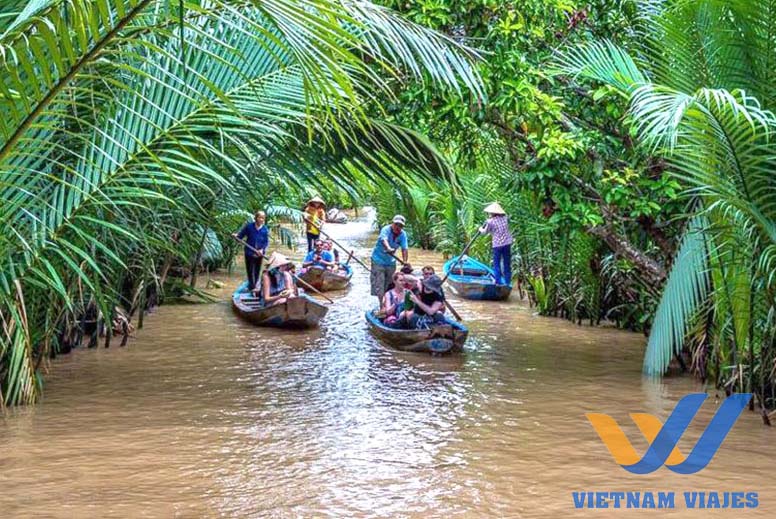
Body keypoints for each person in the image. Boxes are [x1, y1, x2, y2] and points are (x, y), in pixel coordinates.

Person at [370, 215, 409, 303]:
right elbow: (384, 240)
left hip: (390, 262)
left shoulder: (403, 234)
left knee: (390, 284)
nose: (398, 227)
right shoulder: (386, 229)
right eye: (396, 224)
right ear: (393, 223)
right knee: (379, 283)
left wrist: (405, 261)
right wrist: (388, 248)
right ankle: (381, 305)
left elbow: (404, 248)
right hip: (378, 260)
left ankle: (388, 302)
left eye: (400, 226)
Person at [232, 210, 269, 292]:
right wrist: (236, 236)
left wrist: (262, 250)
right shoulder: (249, 227)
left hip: (259, 254)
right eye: (260, 218)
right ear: (256, 218)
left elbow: (266, 242)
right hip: (249, 252)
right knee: (250, 270)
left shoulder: (265, 229)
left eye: (263, 218)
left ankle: (254, 285)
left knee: (257, 270)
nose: (262, 220)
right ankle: (252, 286)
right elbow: (240, 236)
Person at [479, 202, 514, 286]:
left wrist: (480, 229)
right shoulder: (505, 218)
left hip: (497, 245)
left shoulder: (490, 221)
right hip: (507, 243)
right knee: (507, 263)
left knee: (496, 264)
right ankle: (507, 282)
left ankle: (498, 282)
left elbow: (485, 232)